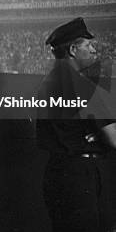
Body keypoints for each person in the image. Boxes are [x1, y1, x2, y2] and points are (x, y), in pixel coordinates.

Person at [36, 17, 116, 232]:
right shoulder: (84, 86)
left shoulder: (47, 83)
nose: (93, 51)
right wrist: (99, 135)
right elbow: (113, 138)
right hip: (82, 177)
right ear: (72, 49)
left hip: (57, 173)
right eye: (88, 45)